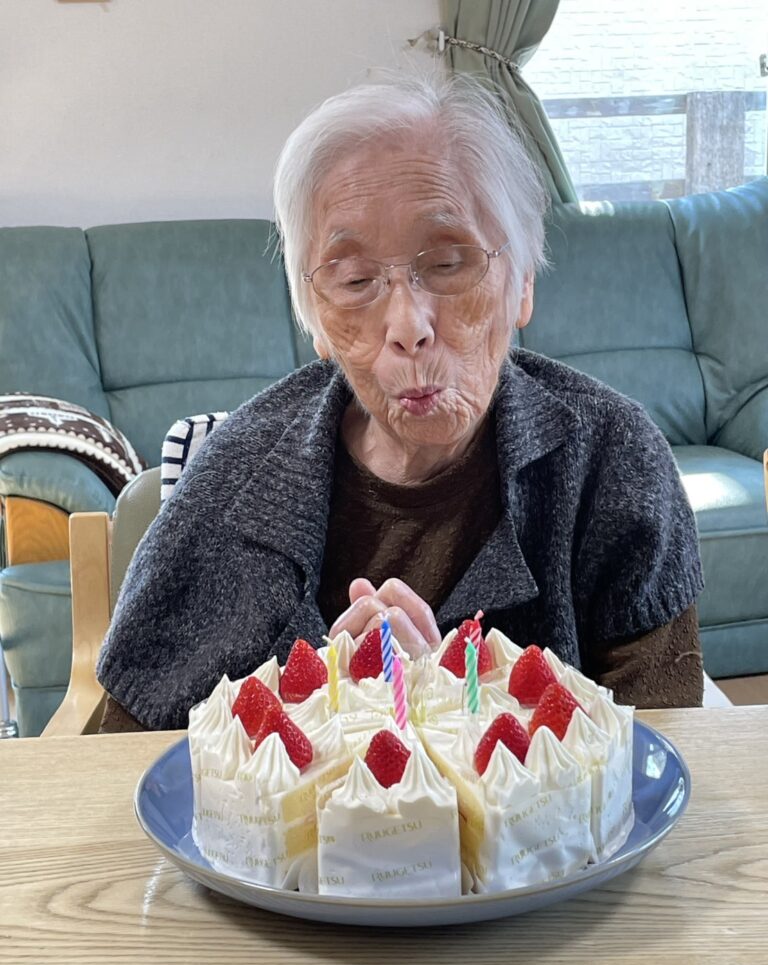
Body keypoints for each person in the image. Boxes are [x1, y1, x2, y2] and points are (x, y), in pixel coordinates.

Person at [97, 70, 704, 732]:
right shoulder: (236, 473)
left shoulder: (612, 458)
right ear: (315, 319)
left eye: (447, 264)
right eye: (356, 279)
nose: (407, 325)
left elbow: (663, 747)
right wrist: (327, 716)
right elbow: (117, 752)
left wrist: (449, 709)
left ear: (523, 282)